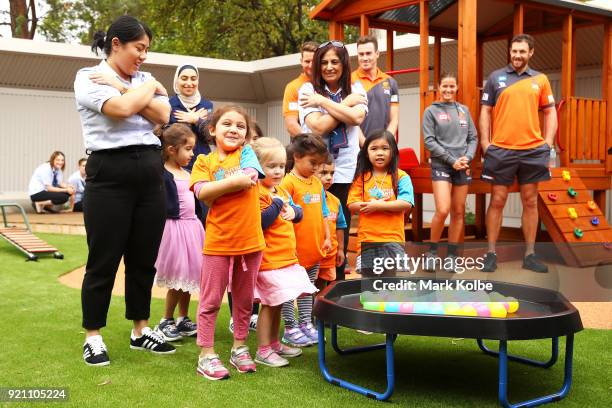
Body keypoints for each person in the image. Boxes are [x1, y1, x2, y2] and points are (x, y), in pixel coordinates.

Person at [74, 15, 174, 367]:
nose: (143, 56)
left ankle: (140, 330)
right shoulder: (87, 76)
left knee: (143, 258)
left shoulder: (141, 78)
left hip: (149, 172)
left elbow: (164, 115)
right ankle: (93, 335)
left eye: (147, 50)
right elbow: (122, 110)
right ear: (116, 44)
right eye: (138, 48)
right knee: (103, 259)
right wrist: (141, 92)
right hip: (108, 173)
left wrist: (123, 86)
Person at [190, 105, 265, 380]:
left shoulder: (248, 153)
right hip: (218, 241)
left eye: (240, 126)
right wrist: (232, 183)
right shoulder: (203, 162)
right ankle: (206, 354)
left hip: (250, 241)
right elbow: (201, 193)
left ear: (246, 135)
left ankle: (239, 347)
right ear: (212, 130)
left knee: (244, 300)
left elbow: (250, 178)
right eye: (227, 124)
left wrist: (215, 190)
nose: (234, 129)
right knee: (210, 300)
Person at [480, 34, 557, 273]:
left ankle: (530, 255)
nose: (517, 55)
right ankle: (490, 254)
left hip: (533, 151)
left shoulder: (541, 80)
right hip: (501, 150)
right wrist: (485, 143)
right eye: (514, 51)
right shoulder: (495, 78)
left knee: (531, 201)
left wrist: (548, 143)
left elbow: (550, 112)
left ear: (531, 52)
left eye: (522, 51)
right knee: (498, 200)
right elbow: (485, 111)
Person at [299, 40, 368, 281]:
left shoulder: (357, 88)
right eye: (324, 62)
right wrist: (344, 106)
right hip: (313, 171)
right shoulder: (307, 91)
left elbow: (357, 119)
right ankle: (311, 290)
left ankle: (335, 288)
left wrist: (323, 103)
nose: (329, 67)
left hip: (343, 171)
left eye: (335, 62)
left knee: (340, 228)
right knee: (313, 228)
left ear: (344, 64)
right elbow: (318, 127)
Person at [251, 137, 317, 367]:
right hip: (269, 261)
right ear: (257, 167)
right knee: (269, 305)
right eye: (271, 166)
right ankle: (262, 349)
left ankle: (274, 343)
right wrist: (278, 205)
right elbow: (262, 221)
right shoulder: (256, 192)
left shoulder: (278, 190)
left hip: (286, 258)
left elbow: (297, 213)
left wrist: (294, 211)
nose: (278, 171)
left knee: (279, 302)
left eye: (281, 166)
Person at [153, 123, 204, 342]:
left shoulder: (188, 173)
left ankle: (183, 317)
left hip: (192, 229)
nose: (192, 154)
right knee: (177, 277)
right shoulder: (162, 174)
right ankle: (166, 319)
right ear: (172, 150)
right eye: (188, 149)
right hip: (174, 231)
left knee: (190, 276)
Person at [279, 134, 331, 347]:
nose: (317, 169)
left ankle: (305, 323)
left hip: (314, 250)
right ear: (297, 156)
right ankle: (290, 327)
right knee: (289, 291)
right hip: (293, 252)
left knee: (308, 288)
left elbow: (323, 213)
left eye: (320, 164)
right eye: (313, 163)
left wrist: (327, 236)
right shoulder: (287, 183)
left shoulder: (317, 183)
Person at [422, 72, 477, 272]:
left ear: (457, 88)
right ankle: (432, 252)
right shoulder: (431, 111)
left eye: (452, 86)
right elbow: (429, 141)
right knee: (443, 209)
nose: (448, 90)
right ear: (438, 87)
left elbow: (473, 138)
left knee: (459, 211)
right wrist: (451, 160)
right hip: (442, 164)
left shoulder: (464, 111)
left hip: (462, 165)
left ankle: (452, 256)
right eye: (444, 86)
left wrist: (467, 158)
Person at [347, 130, 414, 274]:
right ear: (366, 153)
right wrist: (370, 206)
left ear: (394, 152)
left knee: (388, 282)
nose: (379, 153)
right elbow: (352, 204)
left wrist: (378, 205)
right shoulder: (361, 178)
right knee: (369, 283)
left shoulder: (401, 177)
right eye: (374, 148)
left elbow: (406, 203)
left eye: (385, 148)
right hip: (368, 239)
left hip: (393, 238)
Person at [351, 35, 400, 137]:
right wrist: (365, 145)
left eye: (368, 53)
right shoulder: (349, 80)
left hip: (383, 146)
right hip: (358, 147)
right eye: (361, 54)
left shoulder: (391, 82)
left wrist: (386, 141)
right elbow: (349, 119)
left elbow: (394, 119)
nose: (365, 58)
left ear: (377, 54)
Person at [169, 63, 214, 171]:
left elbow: (211, 136)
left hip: (203, 163)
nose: (189, 83)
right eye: (184, 78)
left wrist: (196, 120)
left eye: (193, 79)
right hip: (177, 165)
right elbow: (167, 135)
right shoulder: (169, 104)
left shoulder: (207, 105)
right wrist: (187, 123)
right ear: (177, 80)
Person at [315, 154, 347, 288]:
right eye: (323, 173)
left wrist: (340, 250)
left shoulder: (335, 201)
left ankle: (318, 309)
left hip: (329, 255)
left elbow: (340, 226)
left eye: (332, 173)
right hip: (313, 255)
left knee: (322, 287)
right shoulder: (310, 199)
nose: (329, 177)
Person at [282, 41, 319, 138]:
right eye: (307, 61)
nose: (311, 65)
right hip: (304, 145)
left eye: (314, 61)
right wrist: (312, 143)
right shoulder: (292, 87)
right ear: (301, 62)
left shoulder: (329, 83)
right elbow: (291, 125)